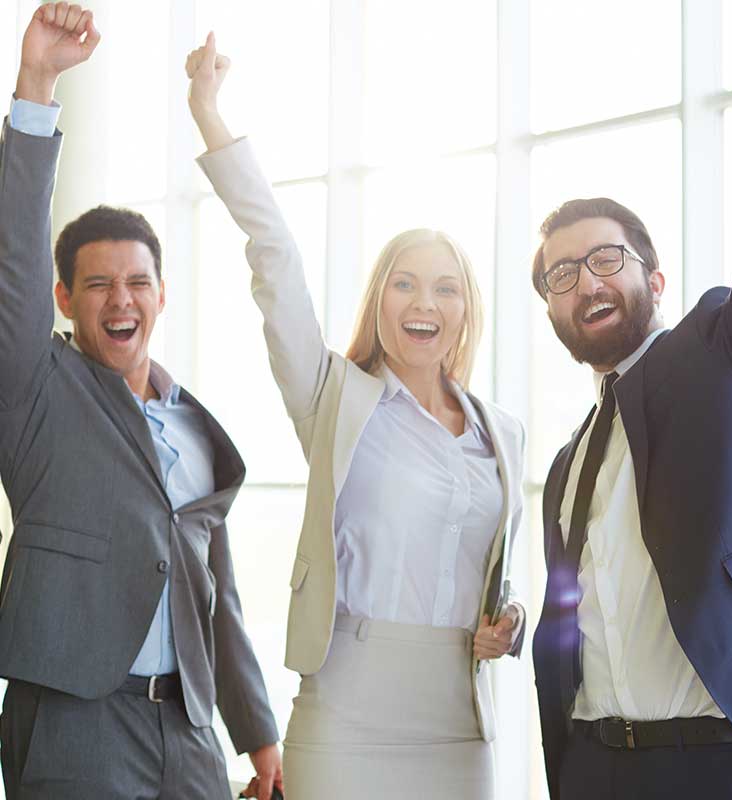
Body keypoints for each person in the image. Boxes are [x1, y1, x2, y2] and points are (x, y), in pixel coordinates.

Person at [184, 32, 527, 800]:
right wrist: (210, 115)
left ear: (466, 309)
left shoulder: (503, 433)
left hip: (459, 720)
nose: (424, 303)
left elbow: (496, 575)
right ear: (380, 299)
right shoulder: (332, 397)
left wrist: (512, 622)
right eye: (404, 284)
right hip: (346, 710)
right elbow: (275, 257)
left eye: (445, 287)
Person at [529, 2, 732, 798]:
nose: (586, 281)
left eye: (606, 258)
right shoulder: (570, 464)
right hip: (599, 765)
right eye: (561, 275)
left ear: (654, 280)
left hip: (725, 762)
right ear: (553, 312)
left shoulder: (721, 350)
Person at [0, 5, 281, 799]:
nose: (120, 300)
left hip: (189, 735)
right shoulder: (33, 392)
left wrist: (257, 735)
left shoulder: (193, 426)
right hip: (75, 727)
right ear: (64, 297)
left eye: (137, 283)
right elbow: (13, 256)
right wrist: (37, 82)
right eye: (98, 285)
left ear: (161, 296)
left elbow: (214, 596)